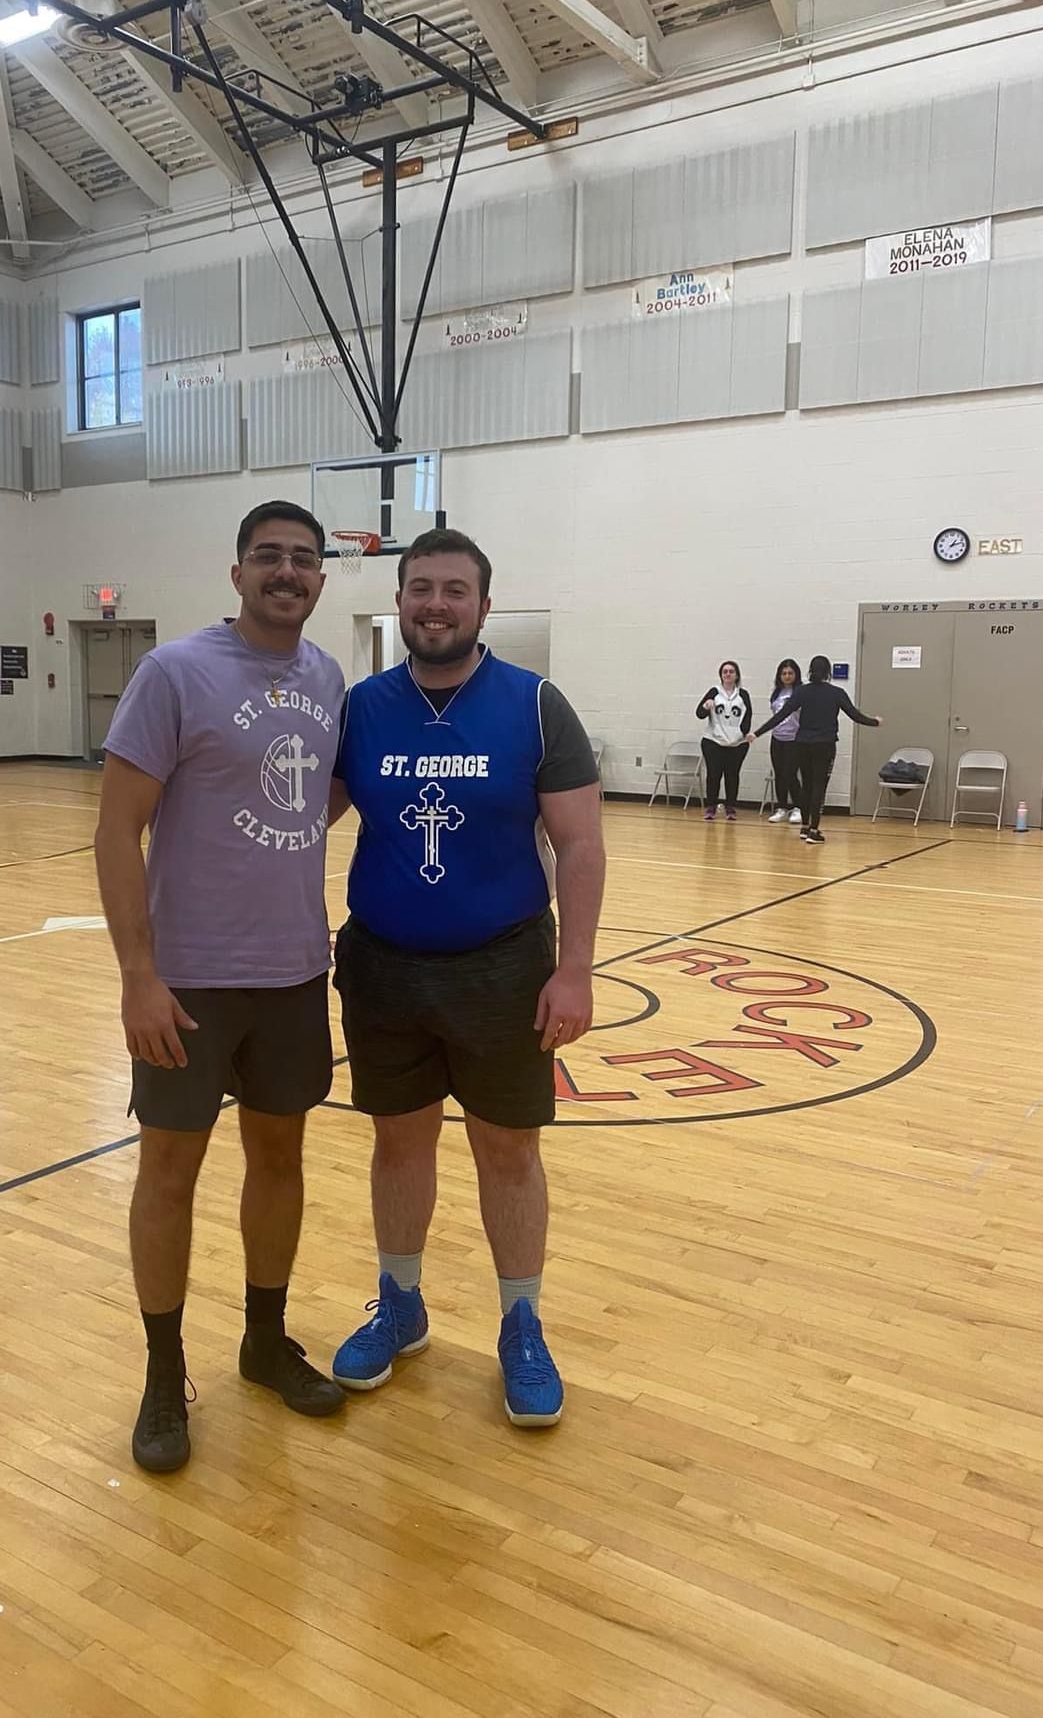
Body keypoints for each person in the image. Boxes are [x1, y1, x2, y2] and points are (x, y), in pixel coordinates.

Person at [328, 527, 605, 1429]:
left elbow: (580, 845)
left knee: (509, 1152)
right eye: (421, 589)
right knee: (398, 1144)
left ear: (484, 605)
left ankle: (521, 1323)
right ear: (399, 601)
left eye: (454, 590)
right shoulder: (362, 708)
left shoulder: (535, 705)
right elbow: (302, 820)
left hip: (504, 967)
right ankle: (400, 1304)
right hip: (383, 965)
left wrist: (574, 971)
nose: (436, 605)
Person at [95, 499, 348, 1475]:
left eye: (303, 559)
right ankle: (164, 1374)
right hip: (189, 982)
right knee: (169, 1173)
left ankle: (263, 1342)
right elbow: (116, 831)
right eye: (268, 556)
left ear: (321, 578)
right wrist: (138, 976)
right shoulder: (174, 673)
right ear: (237, 573)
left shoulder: (327, 678)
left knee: (279, 1160)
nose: (287, 572)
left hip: (294, 973)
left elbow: (321, 795)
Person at [747, 655, 882, 844]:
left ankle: (805, 827)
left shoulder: (802, 692)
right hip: (824, 745)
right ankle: (814, 830)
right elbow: (854, 715)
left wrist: (757, 732)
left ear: (810, 671)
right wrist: (874, 722)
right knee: (819, 785)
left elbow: (781, 715)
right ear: (828, 672)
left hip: (802, 743)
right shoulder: (836, 693)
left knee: (807, 785)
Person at [695, 662, 751, 820]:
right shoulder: (714, 692)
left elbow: (748, 717)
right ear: (721, 675)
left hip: (737, 744)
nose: (728, 674)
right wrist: (706, 706)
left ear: (736, 675)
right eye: (725, 671)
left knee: (732, 776)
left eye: (731, 671)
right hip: (713, 741)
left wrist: (742, 734)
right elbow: (699, 713)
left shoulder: (743, 694)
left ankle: (730, 807)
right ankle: (711, 807)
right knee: (713, 775)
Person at [766, 658, 804, 824]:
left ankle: (798, 807)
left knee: (790, 774)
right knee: (779, 773)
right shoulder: (777, 693)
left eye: (790, 673)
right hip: (777, 738)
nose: (787, 676)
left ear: (796, 675)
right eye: (784, 673)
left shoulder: (800, 692)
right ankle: (782, 807)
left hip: (794, 739)